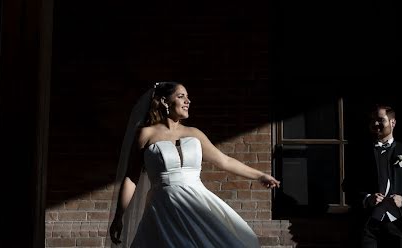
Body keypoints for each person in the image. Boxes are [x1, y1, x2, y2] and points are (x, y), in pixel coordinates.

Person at [108, 81, 280, 247]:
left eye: (188, 97)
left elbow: (224, 160)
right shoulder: (145, 134)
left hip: (196, 202)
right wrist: (119, 216)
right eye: (181, 96)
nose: (187, 101)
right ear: (164, 101)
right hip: (163, 208)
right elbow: (131, 178)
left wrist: (260, 175)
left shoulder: (194, 133)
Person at [344, 105, 402, 248]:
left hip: (401, 224)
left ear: (393, 122)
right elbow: (348, 186)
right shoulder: (360, 153)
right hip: (369, 225)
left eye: (380, 120)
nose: (375, 124)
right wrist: (367, 198)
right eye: (372, 121)